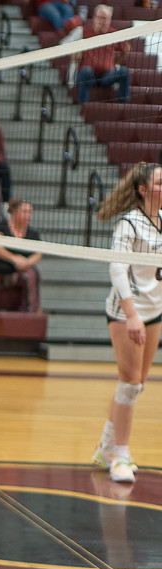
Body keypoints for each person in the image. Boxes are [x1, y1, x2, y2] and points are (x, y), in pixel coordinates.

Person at [92, 162, 162, 484]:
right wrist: (132, 315)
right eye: (160, 182)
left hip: (154, 311)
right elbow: (117, 270)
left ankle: (105, 446)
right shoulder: (129, 224)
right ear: (143, 189)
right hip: (126, 312)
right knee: (131, 384)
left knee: (137, 384)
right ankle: (120, 454)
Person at [0, 199, 42, 312]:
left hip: (19, 270)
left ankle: (32, 311)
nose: (28, 216)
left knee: (33, 273)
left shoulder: (32, 233)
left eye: (29, 212)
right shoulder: (1, 225)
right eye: (24, 212)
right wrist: (13, 258)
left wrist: (27, 262)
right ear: (14, 212)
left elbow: (38, 252)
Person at [74, 5, 130, 105]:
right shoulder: (84, 32)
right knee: (85, 71)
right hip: (89, 74)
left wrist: (116, 61)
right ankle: (83, 106)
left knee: (124, 71)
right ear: (94, 18)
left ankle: (123, 105)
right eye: (99, 17)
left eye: (105, 18)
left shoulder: (114, 34)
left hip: (107, 75)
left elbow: (126, 49)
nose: (102, 21)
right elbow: (67, 45)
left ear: (109, 20)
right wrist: (75, 56)